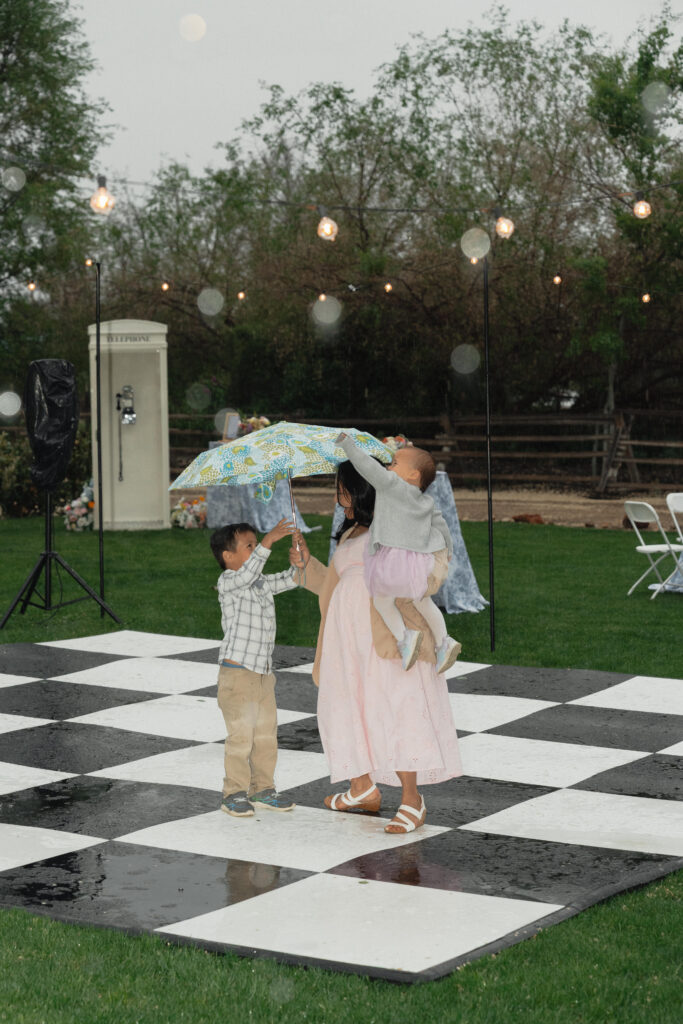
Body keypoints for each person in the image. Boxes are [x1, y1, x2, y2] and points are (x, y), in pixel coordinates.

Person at [290, 460, 462, 834]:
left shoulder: (396, 529)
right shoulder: (350, 534)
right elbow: (334, 586)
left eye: (343, 488)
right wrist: (306, 567)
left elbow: (426, 577)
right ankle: (361, 786)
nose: (338, 495)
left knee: (397, 705)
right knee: (349, 705)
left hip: (383, 635)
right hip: (345, 637)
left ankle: (412, 798)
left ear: (361, 491)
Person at [336, 433, 460, 674]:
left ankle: (406, 638)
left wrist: (347, 445)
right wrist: (449, 550)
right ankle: (444, 641)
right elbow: (442, 525)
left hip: (393, 559)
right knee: (423, 601)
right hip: (418, 562)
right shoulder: (426, 501)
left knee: (383, 601)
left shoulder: (392, 486)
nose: (387, 467)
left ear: (413, 475)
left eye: (393, 464)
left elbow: (368, 467)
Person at [210, 518, 303, 818]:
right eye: (248, 545)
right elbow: (248, 574)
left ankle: (262, 788)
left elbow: (291, 579)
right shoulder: (229, 582)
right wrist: (268, 541)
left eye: (255, 544)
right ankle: (233, 793)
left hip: (263, 675)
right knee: (241, 737)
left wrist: (300, 558)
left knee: (265, 735)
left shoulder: (258, 582)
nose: (256, 548)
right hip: (237, 675)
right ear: (228, 557)